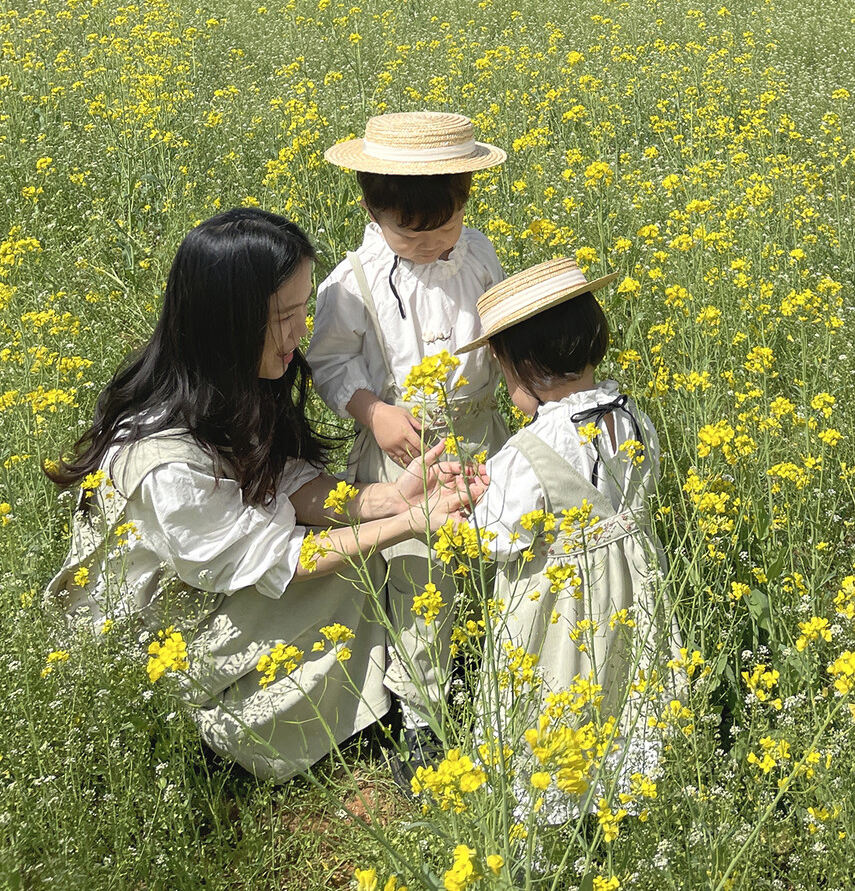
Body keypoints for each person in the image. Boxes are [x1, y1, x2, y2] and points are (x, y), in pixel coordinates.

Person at [45, 207, 484, 783]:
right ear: (228, 324)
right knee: (358, 571)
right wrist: (409, 523)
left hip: (216, 591)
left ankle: (372, 693)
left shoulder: (230, 385)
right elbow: (277, 559)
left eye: (303, 309)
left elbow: (283, 481)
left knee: (364, 555)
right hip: (161, 645)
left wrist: (390, 499)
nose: (301, 333)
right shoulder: (161, 463)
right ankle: (235, 734)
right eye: (284, 317)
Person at [308, 111, 509, 782]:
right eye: (410, 235)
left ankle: (484, 669)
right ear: (372, 210)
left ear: (465, 202)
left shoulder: (478, 254)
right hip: (403, 456)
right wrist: (374, 412)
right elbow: (329, 363)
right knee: (421, 578)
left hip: (480, 437)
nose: (429, 246)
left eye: (443, 229)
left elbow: (499, 327)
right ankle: (421, 715)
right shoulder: (351, 282)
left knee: (490, 557)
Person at [456, 257, 684, 817]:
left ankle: (554, 804)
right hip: (635, 583)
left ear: (520, 367)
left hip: (562, 603)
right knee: (628, 681)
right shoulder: (631, 415)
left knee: (559, 691)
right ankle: (630, 787)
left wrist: (468, 503)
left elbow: (495, 538)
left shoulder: (528, 452)